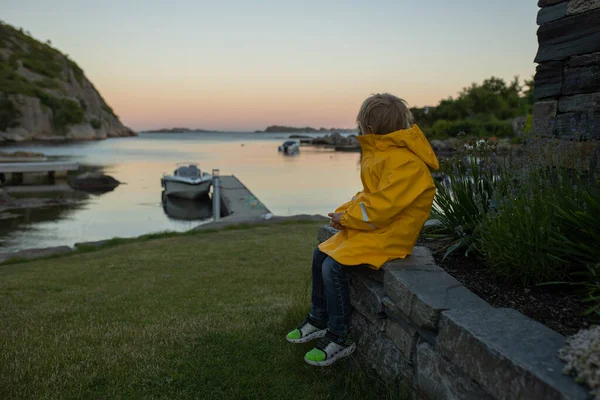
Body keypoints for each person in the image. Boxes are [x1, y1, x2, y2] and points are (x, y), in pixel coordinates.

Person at [286, 93, 440, 366]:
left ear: (368, 127)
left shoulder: (404, 162)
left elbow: (380, 208)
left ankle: (340, 335)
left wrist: (347, 219)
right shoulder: (383, 153)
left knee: (332, 266)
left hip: (392, 236)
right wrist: (344, 211)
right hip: (379, 228)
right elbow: (369, 196)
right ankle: (318, 318)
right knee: (320, 253)